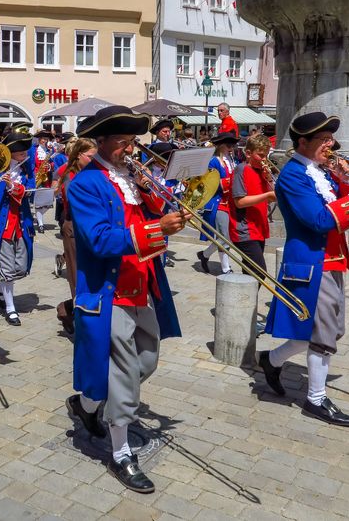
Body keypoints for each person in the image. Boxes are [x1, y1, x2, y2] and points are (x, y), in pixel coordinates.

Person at [63, 105, 191, 494]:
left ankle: (85, 405)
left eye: (131, 142)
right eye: (121, 143)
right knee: (122, 375)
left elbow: (160, 210)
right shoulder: (85, 184)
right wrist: (156, 228)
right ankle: (120, 454)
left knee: (145, 362)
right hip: (110, 291)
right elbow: (100, 239)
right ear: (100, 143)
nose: (129, 150)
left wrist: (166, 201)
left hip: (144, 286)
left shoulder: (133, 177)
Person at [257, 112, 349, 426]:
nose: (331, 146)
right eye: (324, 140)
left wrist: (348, 183)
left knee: (326, 329)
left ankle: (271, 360)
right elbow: (318, 220)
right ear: (303, 142)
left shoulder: (321, 172)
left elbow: (342, 212)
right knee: (322, 333)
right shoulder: (293, 176)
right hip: (310, 263)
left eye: (331, 140)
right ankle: (315, 399)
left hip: (331, 258)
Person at [0, 132, 36, 326]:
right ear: (11, 153)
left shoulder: (25, 172)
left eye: (25, 153)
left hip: (22, 224)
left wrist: (16, 187)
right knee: (7, 270)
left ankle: (1, 288)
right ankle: (10, 309)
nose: (25, 156)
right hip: (3, 224)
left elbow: (31, 191)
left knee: (21, 268)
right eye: (21, 153)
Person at [53, 137, 97, 334]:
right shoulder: (71, 175)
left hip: (89, 228)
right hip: (74, 228)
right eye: (90, 156)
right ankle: (82, 324)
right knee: (77, 279)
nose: (93, 160)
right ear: (79, 155)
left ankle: (66, 309)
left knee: (91, 278)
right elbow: (76, 203)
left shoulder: (91, 171)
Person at [227, 135, 276, 274]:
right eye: (260, 155)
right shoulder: (241, 170)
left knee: (249, 274)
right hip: (245, 229)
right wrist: (267, 196)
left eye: (266, 155)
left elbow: (273, 196)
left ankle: (245, 296)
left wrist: (269, 180)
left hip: (259, 227)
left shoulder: (261, 171)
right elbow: (240, 202)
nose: (264, 159)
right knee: (259, 272)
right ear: (248, 153)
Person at [197, 133, 238, 275]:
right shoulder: (213, 161)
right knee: (224, 237)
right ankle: (226, 268)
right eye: (228, 144)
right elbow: (212, 184)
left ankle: (205, 255)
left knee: (227, 237)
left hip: (231, 202)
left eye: (233, 144)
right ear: (221, 145)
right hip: (218, 202)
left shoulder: (233, 160)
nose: (231, 147)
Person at [30, 130, 55, 232]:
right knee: (39, 202)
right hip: (37, 176)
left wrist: (50, 166)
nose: (45, 140)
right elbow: (31, 163)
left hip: (46, 177)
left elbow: (52, 162)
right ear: (39, 139)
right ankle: (40, 223)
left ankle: (38, 216)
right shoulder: (33, 149)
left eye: (46, 139)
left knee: (47, 202)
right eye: (43, 139)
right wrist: (33, 174)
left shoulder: (50, 150)